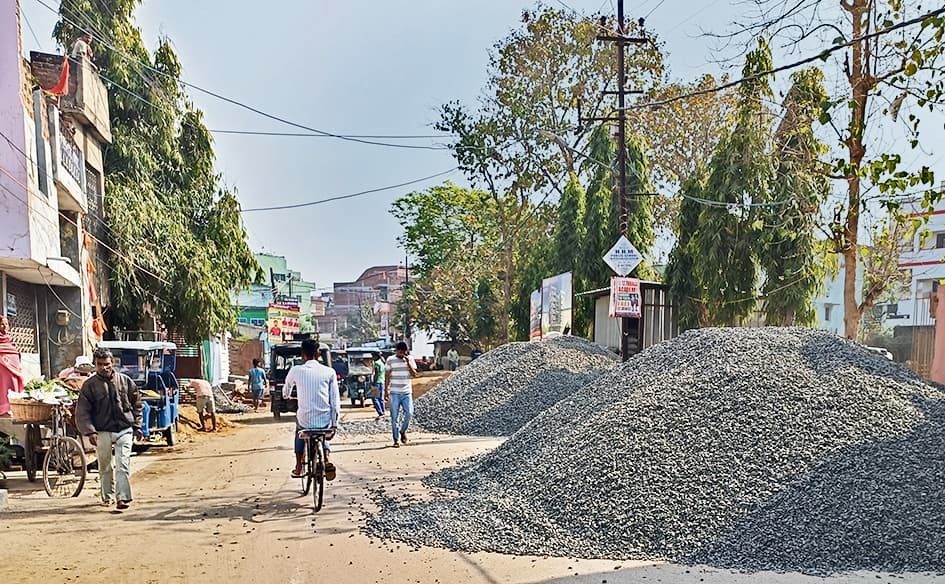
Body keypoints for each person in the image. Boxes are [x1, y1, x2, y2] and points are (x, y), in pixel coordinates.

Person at [75, 347, 143, 509]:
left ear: (112, 363)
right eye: (99, 364)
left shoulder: (125, 381)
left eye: (106, 364)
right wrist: (90, 431)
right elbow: (83, 411)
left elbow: (137, 404)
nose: (104, 367)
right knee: (105, 466)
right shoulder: (89, 386)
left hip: (124, 428)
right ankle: (107, 497)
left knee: (122, 464)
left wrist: (138, 426)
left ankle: (123, 498)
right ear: (95, 365)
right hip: (102, 431)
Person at [284, 339, 340, 481]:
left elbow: (286, 390)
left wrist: (288, 396)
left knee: (300, 431)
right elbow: (335, 401)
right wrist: (334, 424)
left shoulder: (296, 370)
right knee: (323, 432)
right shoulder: (329, 372)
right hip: (324, 419)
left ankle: (298, 466)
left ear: (303, 354)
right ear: (318, 353)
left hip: (305, 419)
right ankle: (326, 458)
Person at [385, 341, 419, 448]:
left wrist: (408, 363)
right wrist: (386, 390)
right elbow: (387, 376)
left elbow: (414, 374)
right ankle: (396, 440)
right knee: (394, 417)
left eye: (403, 352)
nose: (401, 354)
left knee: (409, 413)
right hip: (394, 392)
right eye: (400, 352)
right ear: (396, 351)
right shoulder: (390, 360)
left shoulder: (410, 359)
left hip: (406, 392)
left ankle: (402, 431)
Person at [0, 316, 25, 417]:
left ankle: (12, 408)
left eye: (7, 324)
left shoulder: (9, 339)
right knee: (3, 387)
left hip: (13, 370)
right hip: (2, 369)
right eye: (2, 324)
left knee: (12, 386)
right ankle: (3, 409)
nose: (5, 327)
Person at [371, 351, 386, 419]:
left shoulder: (376, 363)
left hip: (377, 382)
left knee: (375, 398)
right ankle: (383, 412)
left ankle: (380, 413)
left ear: (376, 356)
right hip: (382, 381)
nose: (372, 358)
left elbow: (376, 373)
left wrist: (374, 382)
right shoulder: (382, 362)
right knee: (381, 398)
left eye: (373, 356)